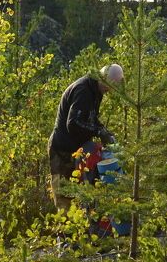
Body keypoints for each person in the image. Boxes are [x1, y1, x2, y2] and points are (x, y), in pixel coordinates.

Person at [48, 63, 123, 210]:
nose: (109, 90)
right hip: (62, 149)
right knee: (64, 197)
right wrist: (97, 132)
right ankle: (64, 233)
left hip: (77, 149)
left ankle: (82, 229)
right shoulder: (83, 90)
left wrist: (103, 131)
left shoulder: (96, 91)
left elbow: (91, 118)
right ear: (103, 78)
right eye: (109, 86)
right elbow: (73, 123)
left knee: (79, 193)